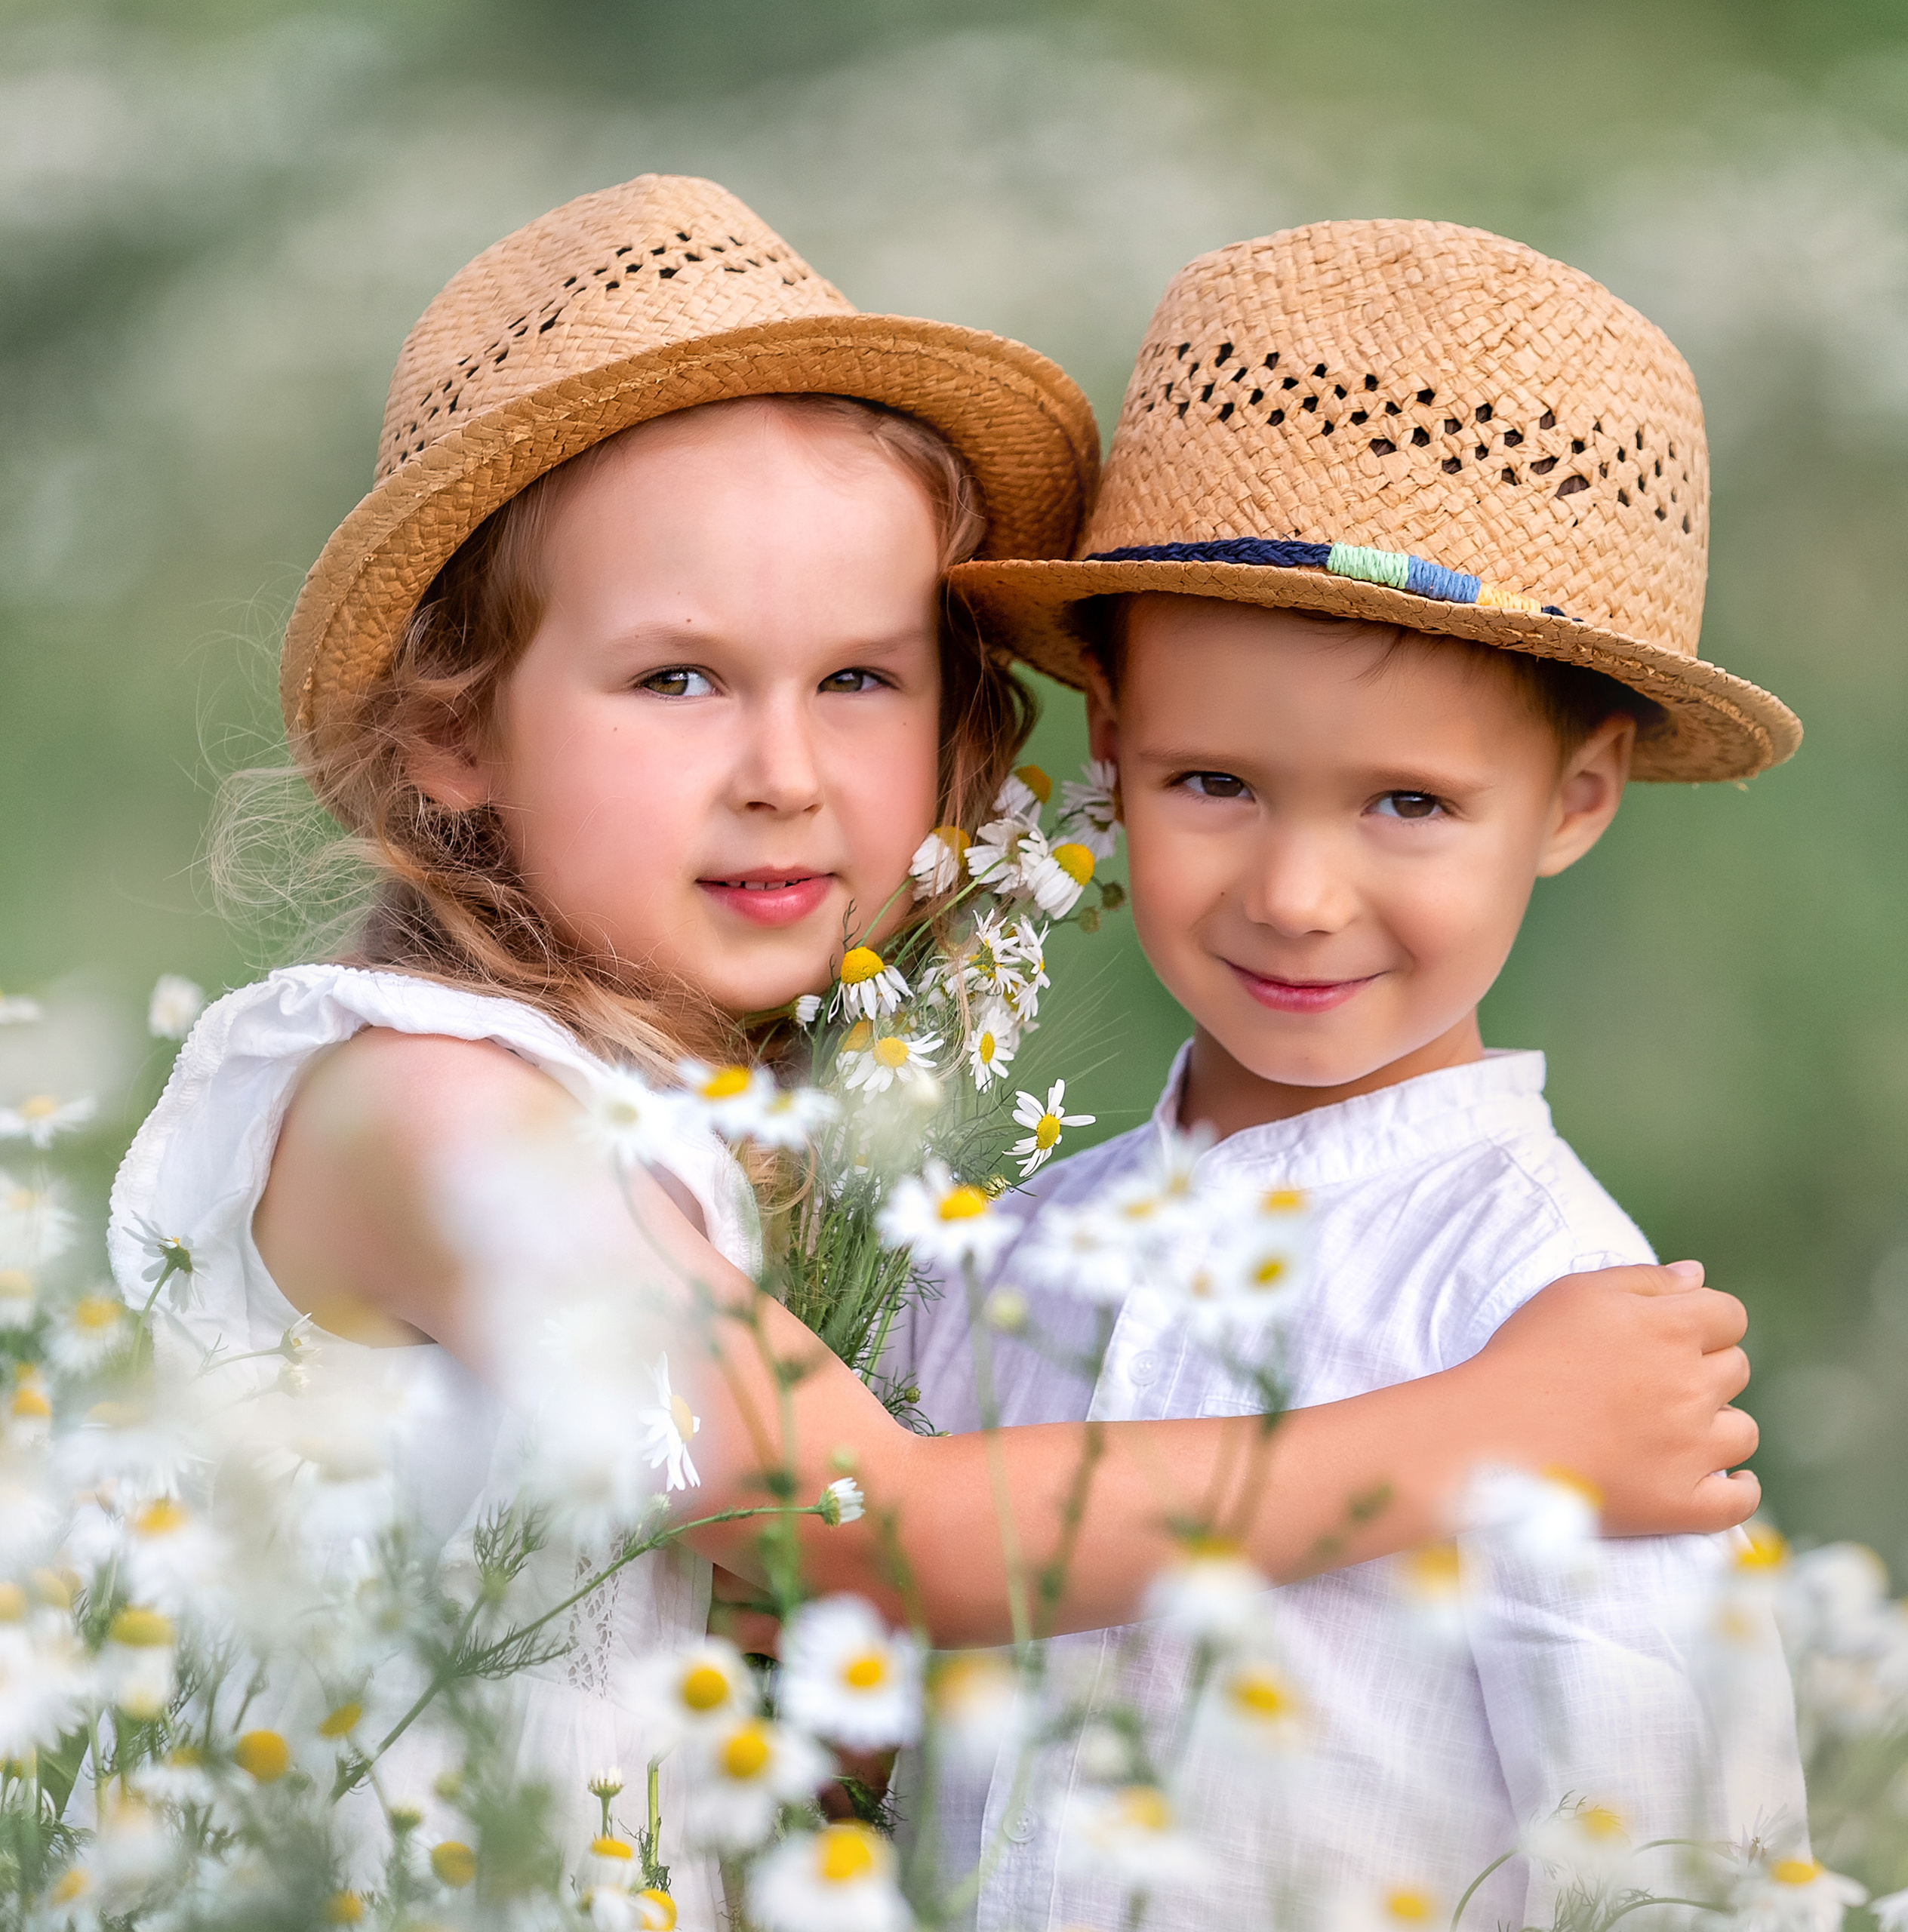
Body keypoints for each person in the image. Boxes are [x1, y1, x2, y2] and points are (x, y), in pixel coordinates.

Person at [109, 185, 1762, 1922]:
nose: (782, 771)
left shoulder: (741, 1156)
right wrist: (1489, 1430)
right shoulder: (429, 1114)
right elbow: (855, 1528)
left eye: (859, 679)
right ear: (453, 728)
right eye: (676, 679)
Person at [913, 217, 1811, 1929]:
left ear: (1573, 795)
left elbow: (1685, 1873)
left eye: (1406, 802)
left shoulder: (1561, 1329)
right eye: (1212, 785)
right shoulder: (1000, 1259)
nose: (1295, 895)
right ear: (1107, 734)